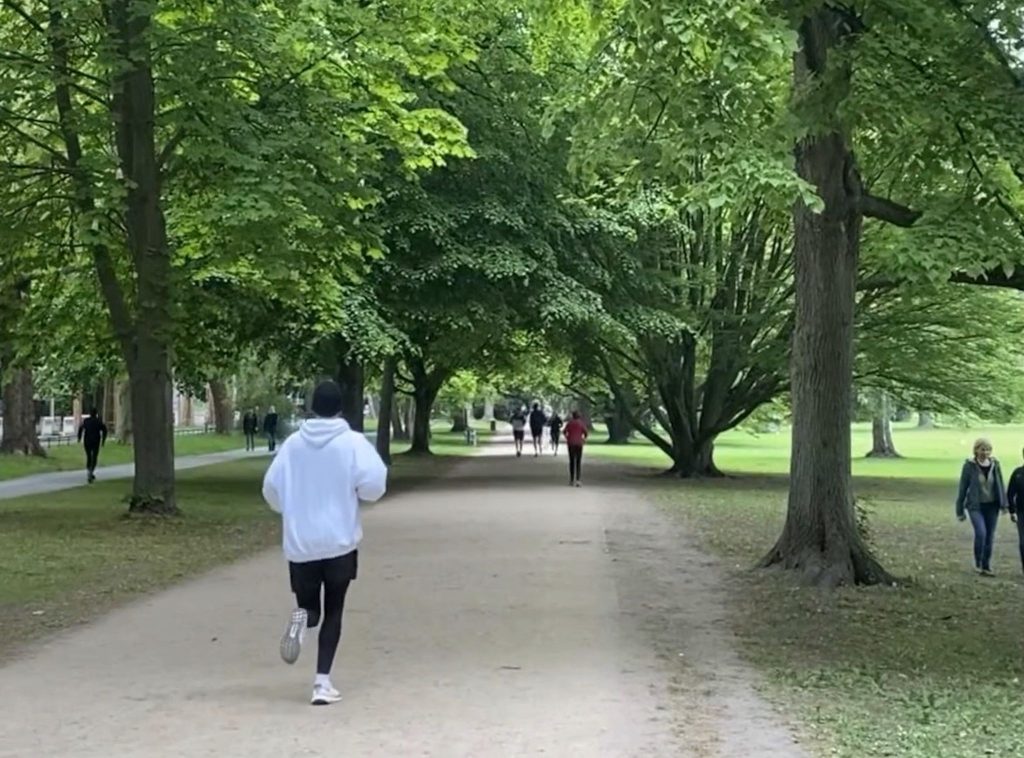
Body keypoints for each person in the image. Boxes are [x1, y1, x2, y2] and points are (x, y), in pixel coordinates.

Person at [262, 380, 388, 706]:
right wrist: (357, 493)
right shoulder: (352, 443)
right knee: (335, 611)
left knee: (311, 609)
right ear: (341, 408)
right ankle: (322, 683)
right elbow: (375, 485)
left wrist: (289, 508)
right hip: (339, 542)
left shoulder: (292, 445)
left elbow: (271, 489)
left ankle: (301, 617)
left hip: (301, 543)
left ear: (312, 407)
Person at [955, 438, 1008, 576]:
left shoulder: (995, 464)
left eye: (988, 450)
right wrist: (959, 510)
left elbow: (1000, 484)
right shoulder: (969, 466)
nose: (985, 452)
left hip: (992, 506)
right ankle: (978, 562)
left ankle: (986, 566)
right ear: (976, 450)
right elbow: (962, 488)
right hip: (975, 506)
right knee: (981, 533)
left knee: (990, 536)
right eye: (982, 449)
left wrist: (1004, 504)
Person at [77, 408, 108, 484]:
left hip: (87, 441)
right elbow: (105, 430)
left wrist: (79, 438)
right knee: (94, 456)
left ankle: (89, 471)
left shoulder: (86, 421)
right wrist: (103, 440)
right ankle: (91, 471)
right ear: (96, 413)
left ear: (90, 413)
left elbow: (80, 428)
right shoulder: (98, 421)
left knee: (89, 456)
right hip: (95, 441)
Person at [1006, 448, 1024, 574]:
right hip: (1022, 512)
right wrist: (1012, 511)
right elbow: (1010, 493)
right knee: (1023, 542)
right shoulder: (1018, 473)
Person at [563, 410, 588, 487]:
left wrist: (567, 437)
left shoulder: (570, 423)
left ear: (572, 416)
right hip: (579, 444)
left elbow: (564, 431)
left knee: (571, 461)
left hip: (571, 443)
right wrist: (583, 439)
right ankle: (578, 480)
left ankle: (571, 480)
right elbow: (586, 433)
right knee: (578, 462)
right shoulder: (581, 423)